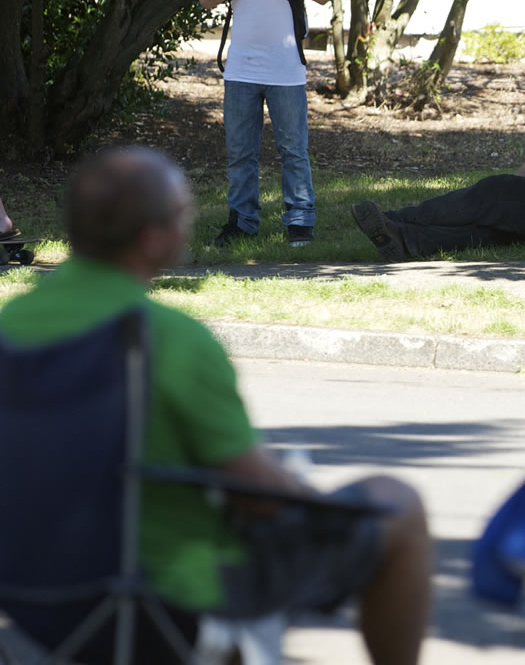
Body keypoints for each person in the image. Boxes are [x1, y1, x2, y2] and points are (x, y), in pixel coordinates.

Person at [0, 147, 432, 664]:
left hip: (31, 607)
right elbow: (262, 500)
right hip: (162, 603)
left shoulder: (10, 328)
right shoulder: (166, 339)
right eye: (184, 212)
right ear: (154, 238)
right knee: (398, 505)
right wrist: (295, 485)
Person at [351, 40, 525, 261]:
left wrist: (510, 191)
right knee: (493, 229)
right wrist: (514, 194)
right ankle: (403, 237)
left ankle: (397, 217)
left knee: (496, 191)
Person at [199, 0, 330, 248]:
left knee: (294, 150)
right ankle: (242, 222)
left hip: (286, 68)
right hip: (241, 68)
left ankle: (300, 223)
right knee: (240, 153)